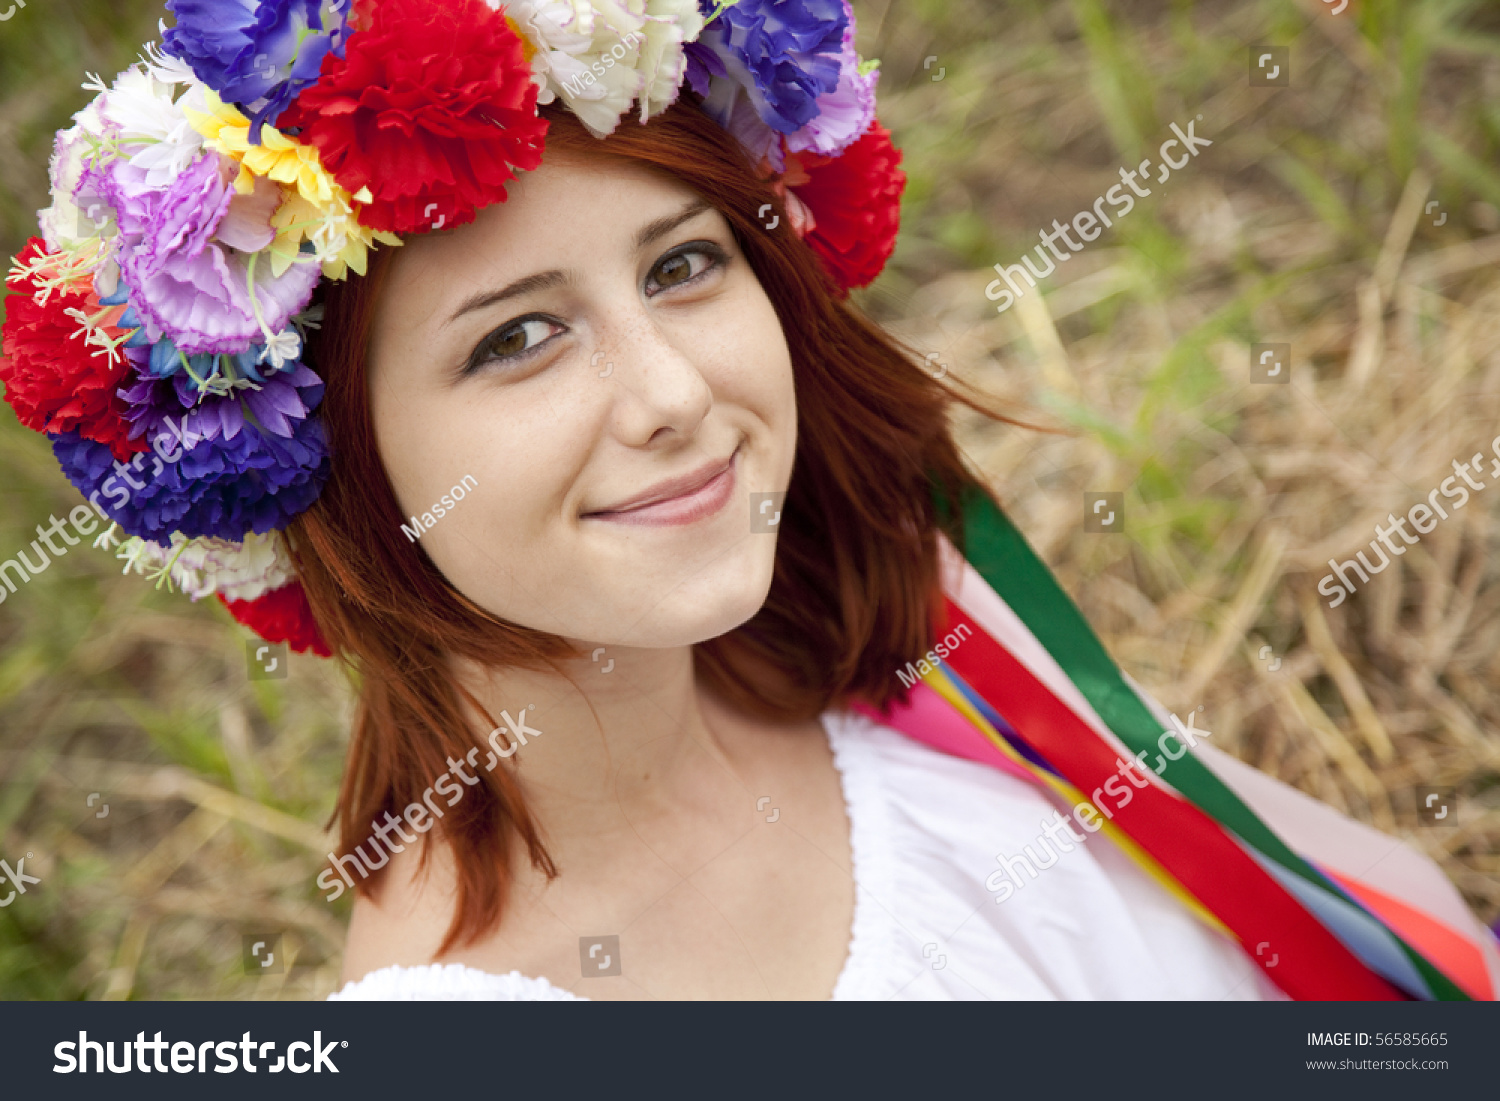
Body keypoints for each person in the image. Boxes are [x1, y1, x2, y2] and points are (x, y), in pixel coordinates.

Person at [4, 0, 1493, 1001]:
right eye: (516, 337)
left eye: (682, 266)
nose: (668, 393)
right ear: (333, 472)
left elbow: (1383, 928)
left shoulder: (904, 649)